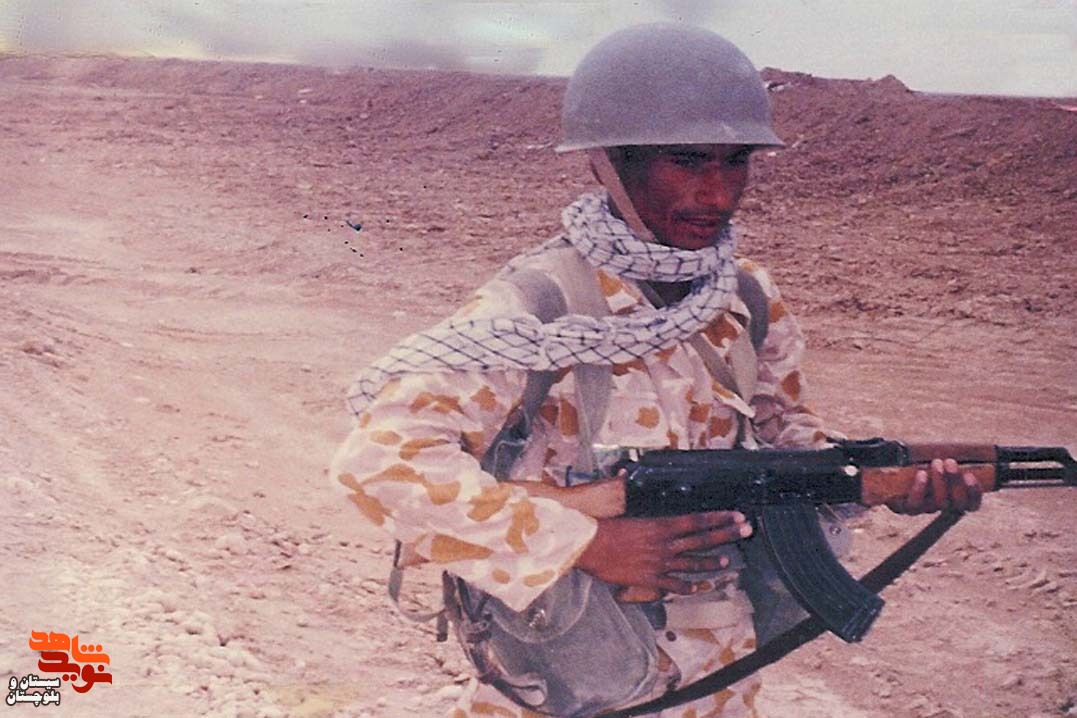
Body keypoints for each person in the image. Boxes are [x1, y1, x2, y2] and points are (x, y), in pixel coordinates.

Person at [331, 23, 982, 718]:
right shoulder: (540, 307)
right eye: (687, 161)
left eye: (736, 162)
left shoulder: (744, 298)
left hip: (720, 684)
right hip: (568, 683)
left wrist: (881, 485)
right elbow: (380, 464)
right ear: (607, 163)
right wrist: (587, 542)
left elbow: (789, 454)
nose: (718, 193)